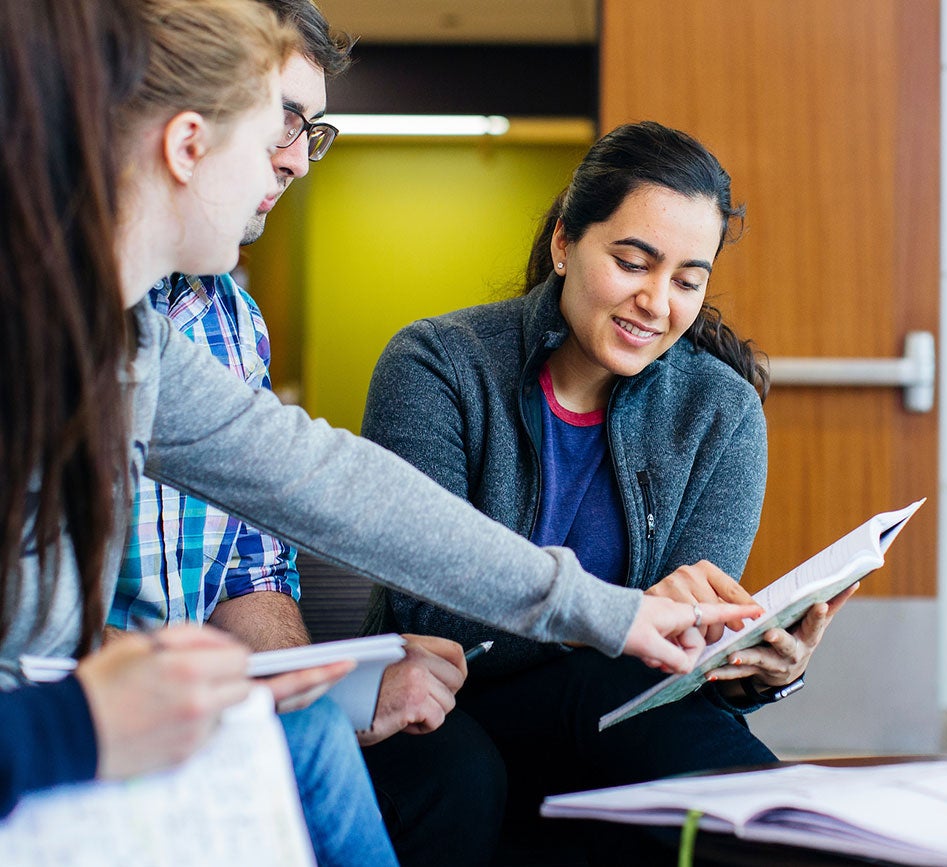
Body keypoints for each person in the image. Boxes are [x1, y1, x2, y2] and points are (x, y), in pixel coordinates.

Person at [0, 0, 751, 839]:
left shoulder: (133, 342)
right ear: (186, 146)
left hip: (80, 728)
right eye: (270, 137)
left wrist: (609, 611)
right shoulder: (61, 330)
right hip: (48, 746)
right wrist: (80, 718)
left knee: (316, 735)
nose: (286, 171)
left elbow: (321, 479)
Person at [362, 120, 855, 856]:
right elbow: (433, 604)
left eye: (688, 280)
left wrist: (756, 672)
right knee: (479, 764)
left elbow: (676, 656)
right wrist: (621, 617)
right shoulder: (437, 365)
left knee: (638, 710)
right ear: (564, 243)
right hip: (441, 699)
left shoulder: (720, 411)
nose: (657, 302)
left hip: (610, 711)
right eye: (633, 262)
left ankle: (820, 842)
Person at [103, 2, 499, 862]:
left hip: (193, 703)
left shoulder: (229, 323)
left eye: (309, 131)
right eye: (280, 123)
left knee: (341, 739)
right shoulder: (68, 326)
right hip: (94, 716)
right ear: (188, 129)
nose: (292, 161)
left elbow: (262, 556)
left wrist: (312, 689)